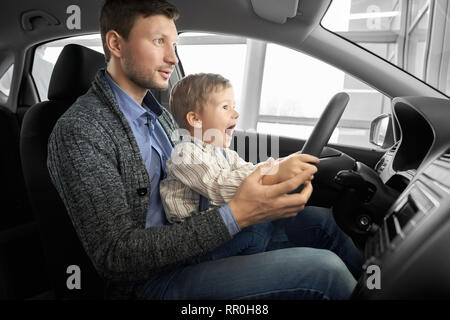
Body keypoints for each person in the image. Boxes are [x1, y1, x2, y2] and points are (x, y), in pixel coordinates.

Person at [47, 0, 363, 300]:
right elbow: (117, 256)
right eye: (158, 41)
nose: (172, 57)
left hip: (198, 241)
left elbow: (211, 166)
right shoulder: (81, 130)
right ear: (116, 44)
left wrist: (272, 172)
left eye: (174, 45)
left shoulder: (159, 116)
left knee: (326, 223)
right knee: (326, 272)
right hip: (150, 282)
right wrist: (237, 214)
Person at [160, 72, 319, 262]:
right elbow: (219, 186)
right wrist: (274, 173)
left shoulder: (223, 152)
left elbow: (249, 169)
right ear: (195, 120)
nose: (235, 113)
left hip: (223, 227)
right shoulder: (185, 154)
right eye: (225, 107)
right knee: (257, 229)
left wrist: (279, 165)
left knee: (302, 220)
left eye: (234, 107)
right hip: (198, 241)